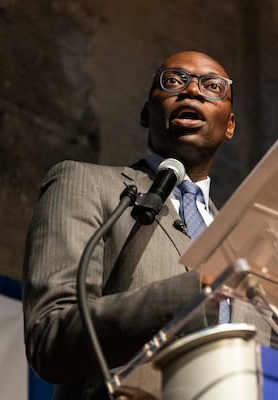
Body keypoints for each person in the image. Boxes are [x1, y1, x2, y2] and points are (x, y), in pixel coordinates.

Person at [22, 51, 265, 400]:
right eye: (174, 81)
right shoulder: (84, 184)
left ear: (230, 125)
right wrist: (193, 291)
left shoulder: (241, 246)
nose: (193, 91)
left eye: (213, 86)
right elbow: (51, 338)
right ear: (145, 112)